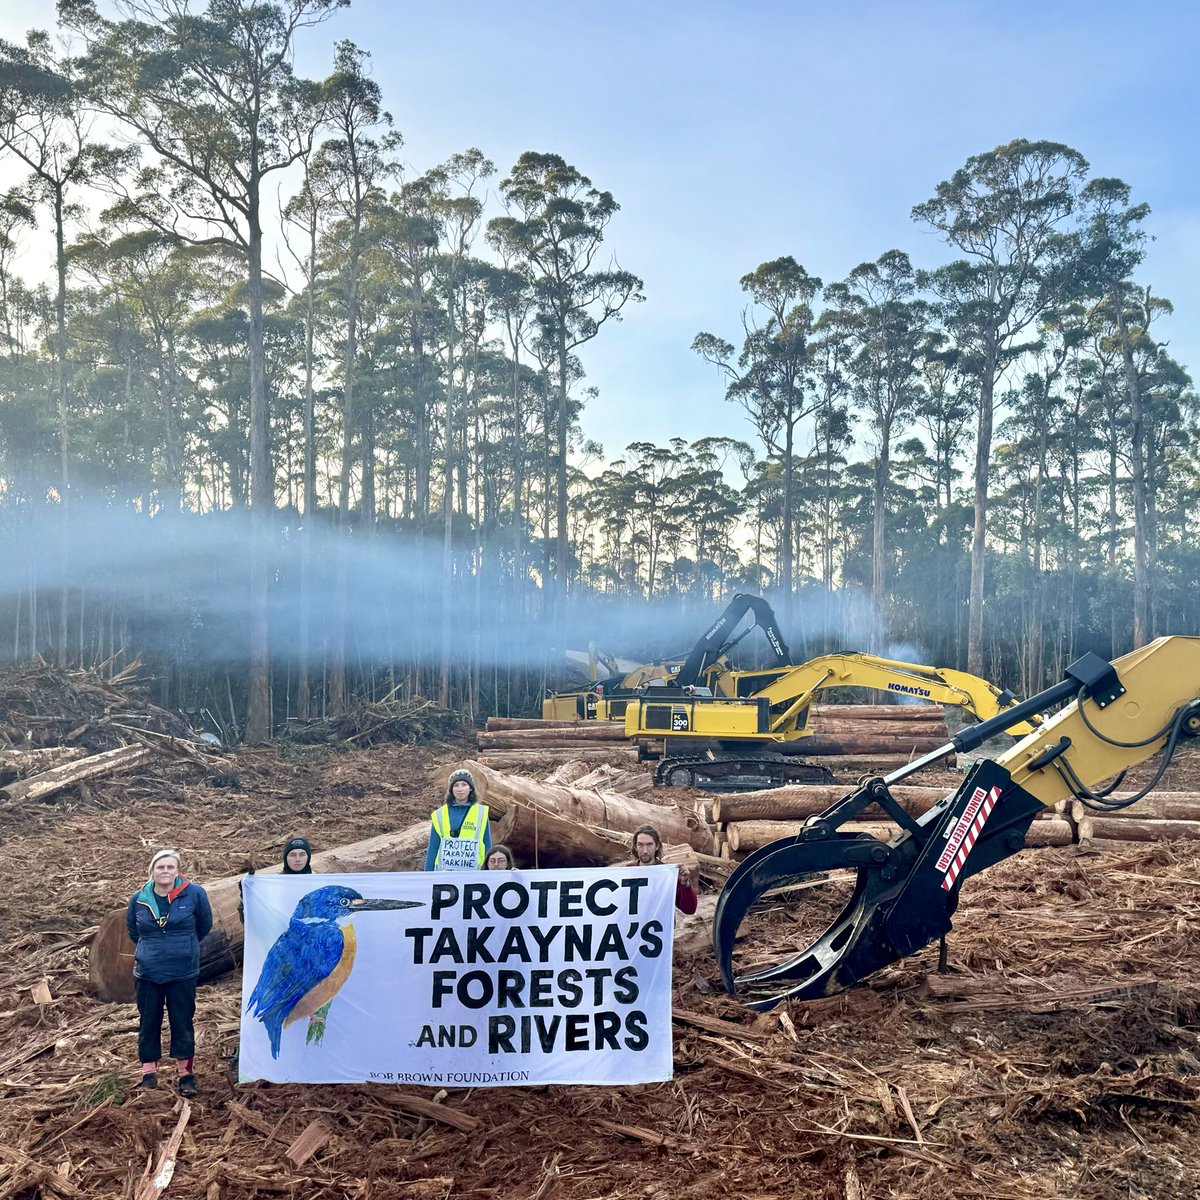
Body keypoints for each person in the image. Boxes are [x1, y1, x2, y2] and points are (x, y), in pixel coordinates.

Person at [125, 849, 213, 1097]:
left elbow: (204, 925)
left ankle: (185, 1073)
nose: (165, 872)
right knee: (148, 1020)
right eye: (160, 867)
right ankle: (148, 1072)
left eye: (169, 867)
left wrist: (183, 946)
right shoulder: (139, 898)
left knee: (182, 1021)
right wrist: (150, 950)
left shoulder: (195, 893)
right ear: (152, 870)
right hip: (147, 971)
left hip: (182, 971)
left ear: (177, 870)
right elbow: (134, 931)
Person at [424, 769, 491, 871]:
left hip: (474, 875)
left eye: (464, 784)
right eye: (456, 785)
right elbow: (433, 848)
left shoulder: (481, 812)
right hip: (445, 876)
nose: (460, 789)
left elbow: (487, 845)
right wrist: (427, 875)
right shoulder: (439, 815)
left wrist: (490, 874)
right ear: (451, 790)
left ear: (471, 788)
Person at [623, 824, 698, 915]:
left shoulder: (668, 874)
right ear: (635, 846)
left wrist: (685, 884)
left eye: (649, 845)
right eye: (640, 845)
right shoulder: (627, 871)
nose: (645, 850)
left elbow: (689, 909)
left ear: (657, 846)